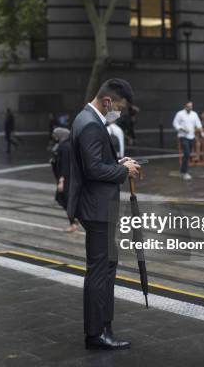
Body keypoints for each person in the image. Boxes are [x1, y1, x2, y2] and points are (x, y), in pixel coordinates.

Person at [67, 78, 141, 350]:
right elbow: (93, 170)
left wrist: (118, 162)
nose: (119, 113)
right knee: (100, 271)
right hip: (96, 209)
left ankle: (102, 328)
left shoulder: (87, 119)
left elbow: (96, 162)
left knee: (106, 266)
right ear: (108, 101)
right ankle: (97, 334)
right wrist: (124, 171)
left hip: (97, 205)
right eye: (119, 107)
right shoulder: (89, 124)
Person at [50, 127, 78, 232]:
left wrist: (61, 181)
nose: (54, 137)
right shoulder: (68, 144)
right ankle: (75, 219)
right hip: (69, 177)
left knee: (64, 199)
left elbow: (65, 164)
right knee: (64, 199)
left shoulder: (64, 146)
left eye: (55, 134)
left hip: (66, 178)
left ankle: (73, 223)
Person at [172, 101, 204, 180]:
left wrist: (202, 132)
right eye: (189, 106)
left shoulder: (194, 114)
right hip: (183, 136)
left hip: (191, 136)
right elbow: (175, 123)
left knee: (187, 154)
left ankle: (183, 170)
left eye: (191, 106)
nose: (190, 107)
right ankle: (185, 172)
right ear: (185, 106)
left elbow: (198, 124)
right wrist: (181, 128)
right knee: (186, 152)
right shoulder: (180, 114)